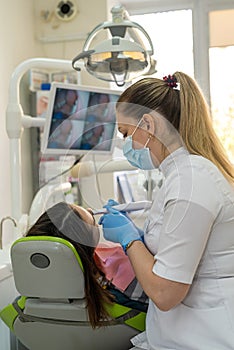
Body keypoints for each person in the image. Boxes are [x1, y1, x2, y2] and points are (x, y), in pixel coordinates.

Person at [98, 72, 234, 349]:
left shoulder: (192, 182)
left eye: (126, 133)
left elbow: (165, 292)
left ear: (147, 123)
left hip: (208, 338)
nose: (126, 145)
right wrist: (140, 236)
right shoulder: (183, 175)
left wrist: (130, 240)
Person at [25, 202, 148, 329]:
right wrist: (137, 240)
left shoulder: (35, 292)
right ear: (87, 246)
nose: (90, 208)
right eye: (93, 220)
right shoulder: (125, 278)